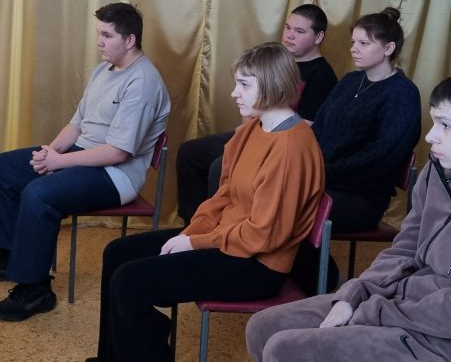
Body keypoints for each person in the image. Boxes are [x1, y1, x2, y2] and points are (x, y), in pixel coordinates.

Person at [246, 67, 451, 362]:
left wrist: (371, 312)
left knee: (286, 350)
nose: (430, 136)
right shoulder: (440, 170)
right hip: (405, 302)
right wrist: (356, 294)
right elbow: (405, 247)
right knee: (262, 327)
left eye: (445, 125)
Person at [87, 43, 326, 362]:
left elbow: (263, 235)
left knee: (130, 282)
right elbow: (224, 195)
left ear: (272, 84)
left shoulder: (291, 149)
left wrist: (195, 243)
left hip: (256, 265)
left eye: (244, 85)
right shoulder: (252, 129)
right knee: (117, 253)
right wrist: (191, 233)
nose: (234, 93)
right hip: (227, 241)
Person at [0, 2, 170, 322]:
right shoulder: (103, 70)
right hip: (83, 154)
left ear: (130, 40)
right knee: (2, 168)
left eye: (107, 35)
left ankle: (35, 289)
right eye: (99, 34)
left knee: (40, 194)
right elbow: (77, 124)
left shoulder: (143, 82)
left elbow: (118, 153)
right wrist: (49, 153)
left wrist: (59, 163)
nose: (99, 42)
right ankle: (11, 257)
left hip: (115, 175)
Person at [175, 4, 337, 223]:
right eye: (288, 27)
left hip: (276, 140)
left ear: (318, 37)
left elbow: (305, 126)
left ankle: (221, 224)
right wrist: (247, 133)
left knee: (219, 166)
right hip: (254, 131)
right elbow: (253, 110)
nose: (290, 35)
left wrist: (252, 140)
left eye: (299, 31)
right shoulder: (278, 60)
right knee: (191, 152)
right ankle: (194, 223)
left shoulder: (322, 75)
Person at [310, 7, 420, 233]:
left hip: (361, 197)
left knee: (287, 200)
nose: (354, 49)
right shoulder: (350, 81)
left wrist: (322, 172)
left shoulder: (402, 93)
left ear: (388, 48)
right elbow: (319, 127)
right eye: (353, 42)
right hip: (323, 179)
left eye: (364, 43)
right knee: (273, 188)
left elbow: (382, 156)